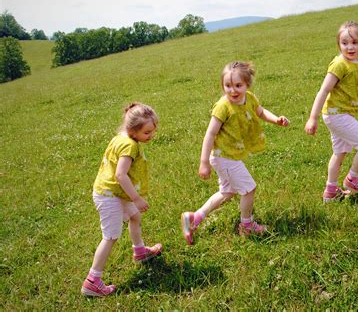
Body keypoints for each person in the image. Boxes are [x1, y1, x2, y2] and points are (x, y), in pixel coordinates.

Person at [181, 61, 289, 245]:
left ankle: (194, 217)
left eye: (238, 85)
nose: (233, 91)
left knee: (228, 191)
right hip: (224, 157)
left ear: (248, 85)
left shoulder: (250, 98)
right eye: (228, 86)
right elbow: (210, 133)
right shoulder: (223, 107)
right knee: (249, 189)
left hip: (231, 156)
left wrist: (276, 120)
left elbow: (261, 112)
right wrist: (204, 162)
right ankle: (246, 225)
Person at [81, 102, 162, 297]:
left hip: (115, 192)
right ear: (133, 130)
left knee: (134, 217)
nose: (151, 135)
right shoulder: (129, 146)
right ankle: (93, 281)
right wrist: (137, 198)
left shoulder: (121, 137)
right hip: (110, 196)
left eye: (153, 130)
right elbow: (120, 175)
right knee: (110, 237)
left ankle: (140, 251)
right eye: (147, 132)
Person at [304, 21, 358, 202]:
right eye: (345, 43)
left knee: (340, 152)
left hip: (341, 113)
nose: (350, 47)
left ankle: (331, 190)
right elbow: (323, 90)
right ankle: (353, 178)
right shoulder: (339, 65)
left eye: (355, 43)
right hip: (337, 115)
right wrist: (312, 118)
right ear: (339, 45)